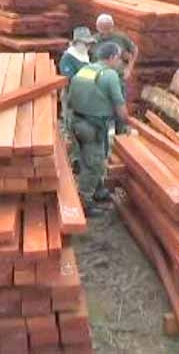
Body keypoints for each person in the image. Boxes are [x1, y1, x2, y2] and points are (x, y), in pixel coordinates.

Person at [67, 41, 131, 217]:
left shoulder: (85, 70)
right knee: (93, 165)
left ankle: (98, 191)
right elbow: (120, 106)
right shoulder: (110, 75)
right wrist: (127, 123)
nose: (120, 62)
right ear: (112, 57)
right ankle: (85, 203)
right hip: (92, 126)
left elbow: (70, 98)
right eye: (118, 58)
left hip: (77, 121)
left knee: (91, 157)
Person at [59, 27, 96, 171]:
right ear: (76, 43)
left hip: (87, 97)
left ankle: (85, 156)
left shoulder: (86, 56)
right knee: (73, 127)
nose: (88, 46)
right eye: (85, 43)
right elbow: (71, 79)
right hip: (72, 97)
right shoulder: (67, 58)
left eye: (89, 43)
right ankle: (76, 159)